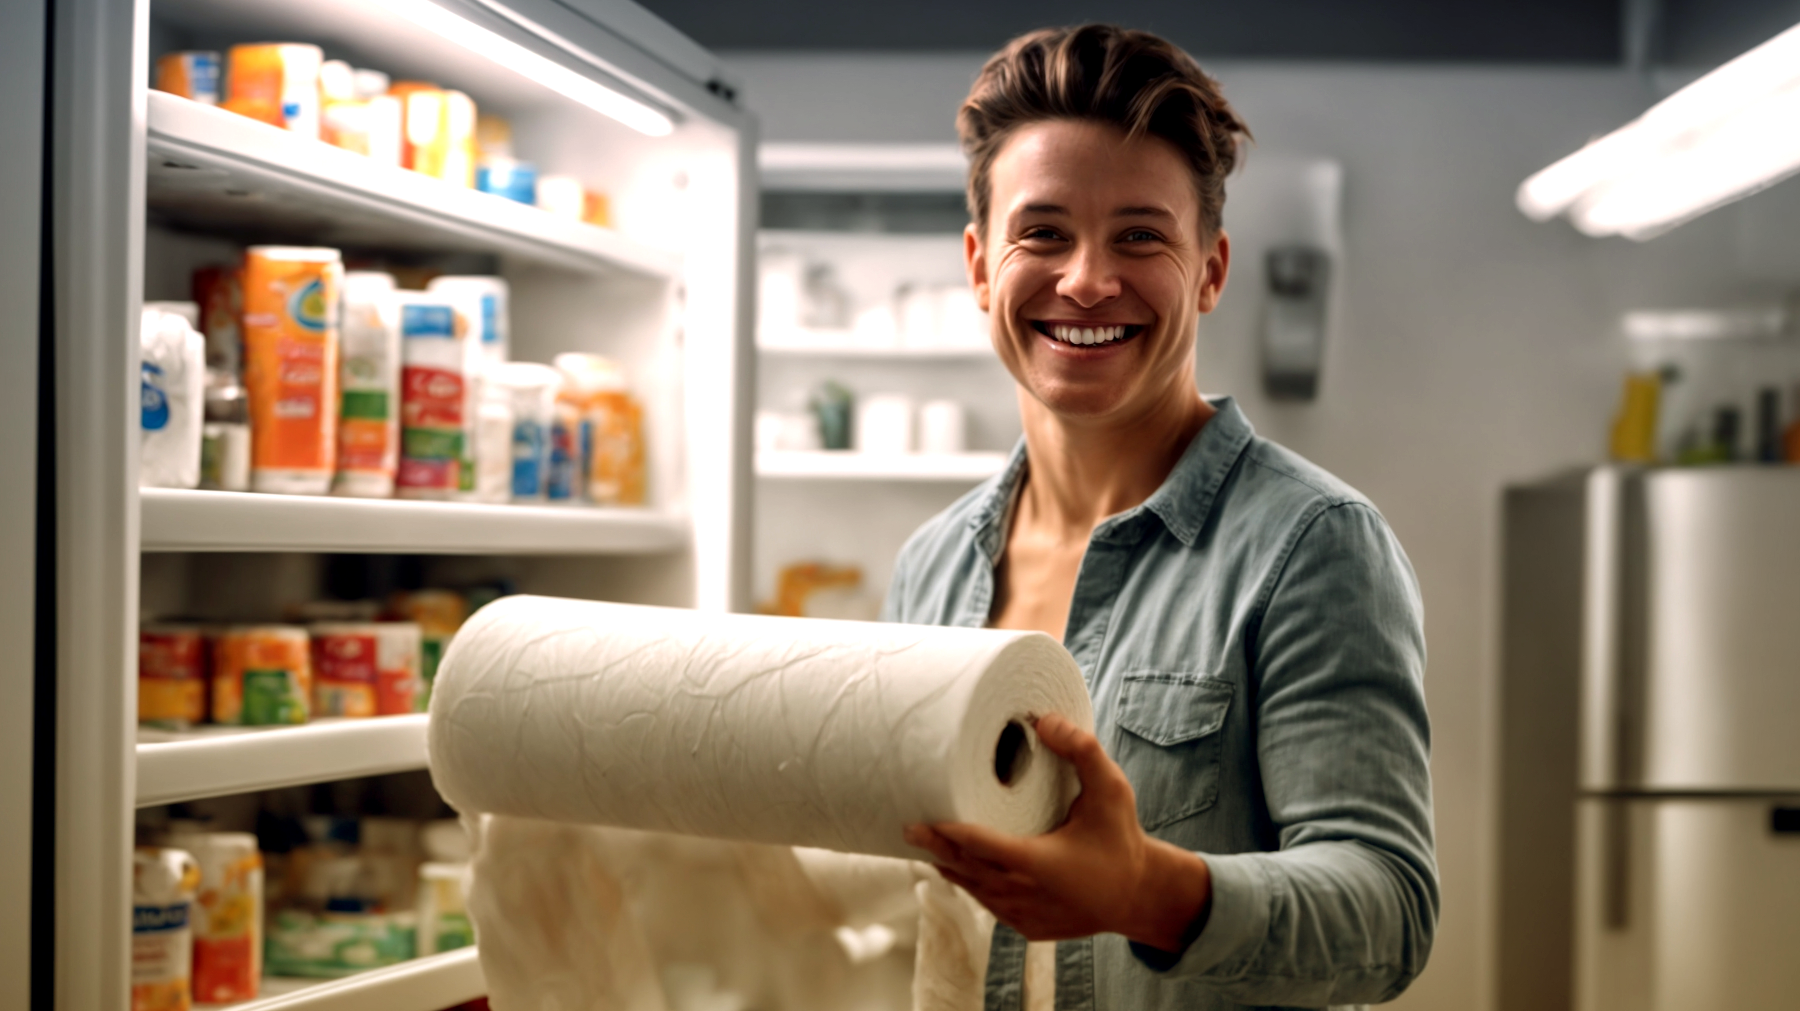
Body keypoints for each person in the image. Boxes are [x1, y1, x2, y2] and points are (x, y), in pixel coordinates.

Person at [885, 24, 1438, 1011]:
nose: (1088, 279)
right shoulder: (930, 567)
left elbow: (1387, 910)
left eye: (1140, 235)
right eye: (1042, 233)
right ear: (979, 266)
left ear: (1212, 270)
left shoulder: (1312, 547)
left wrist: (1148, 890)